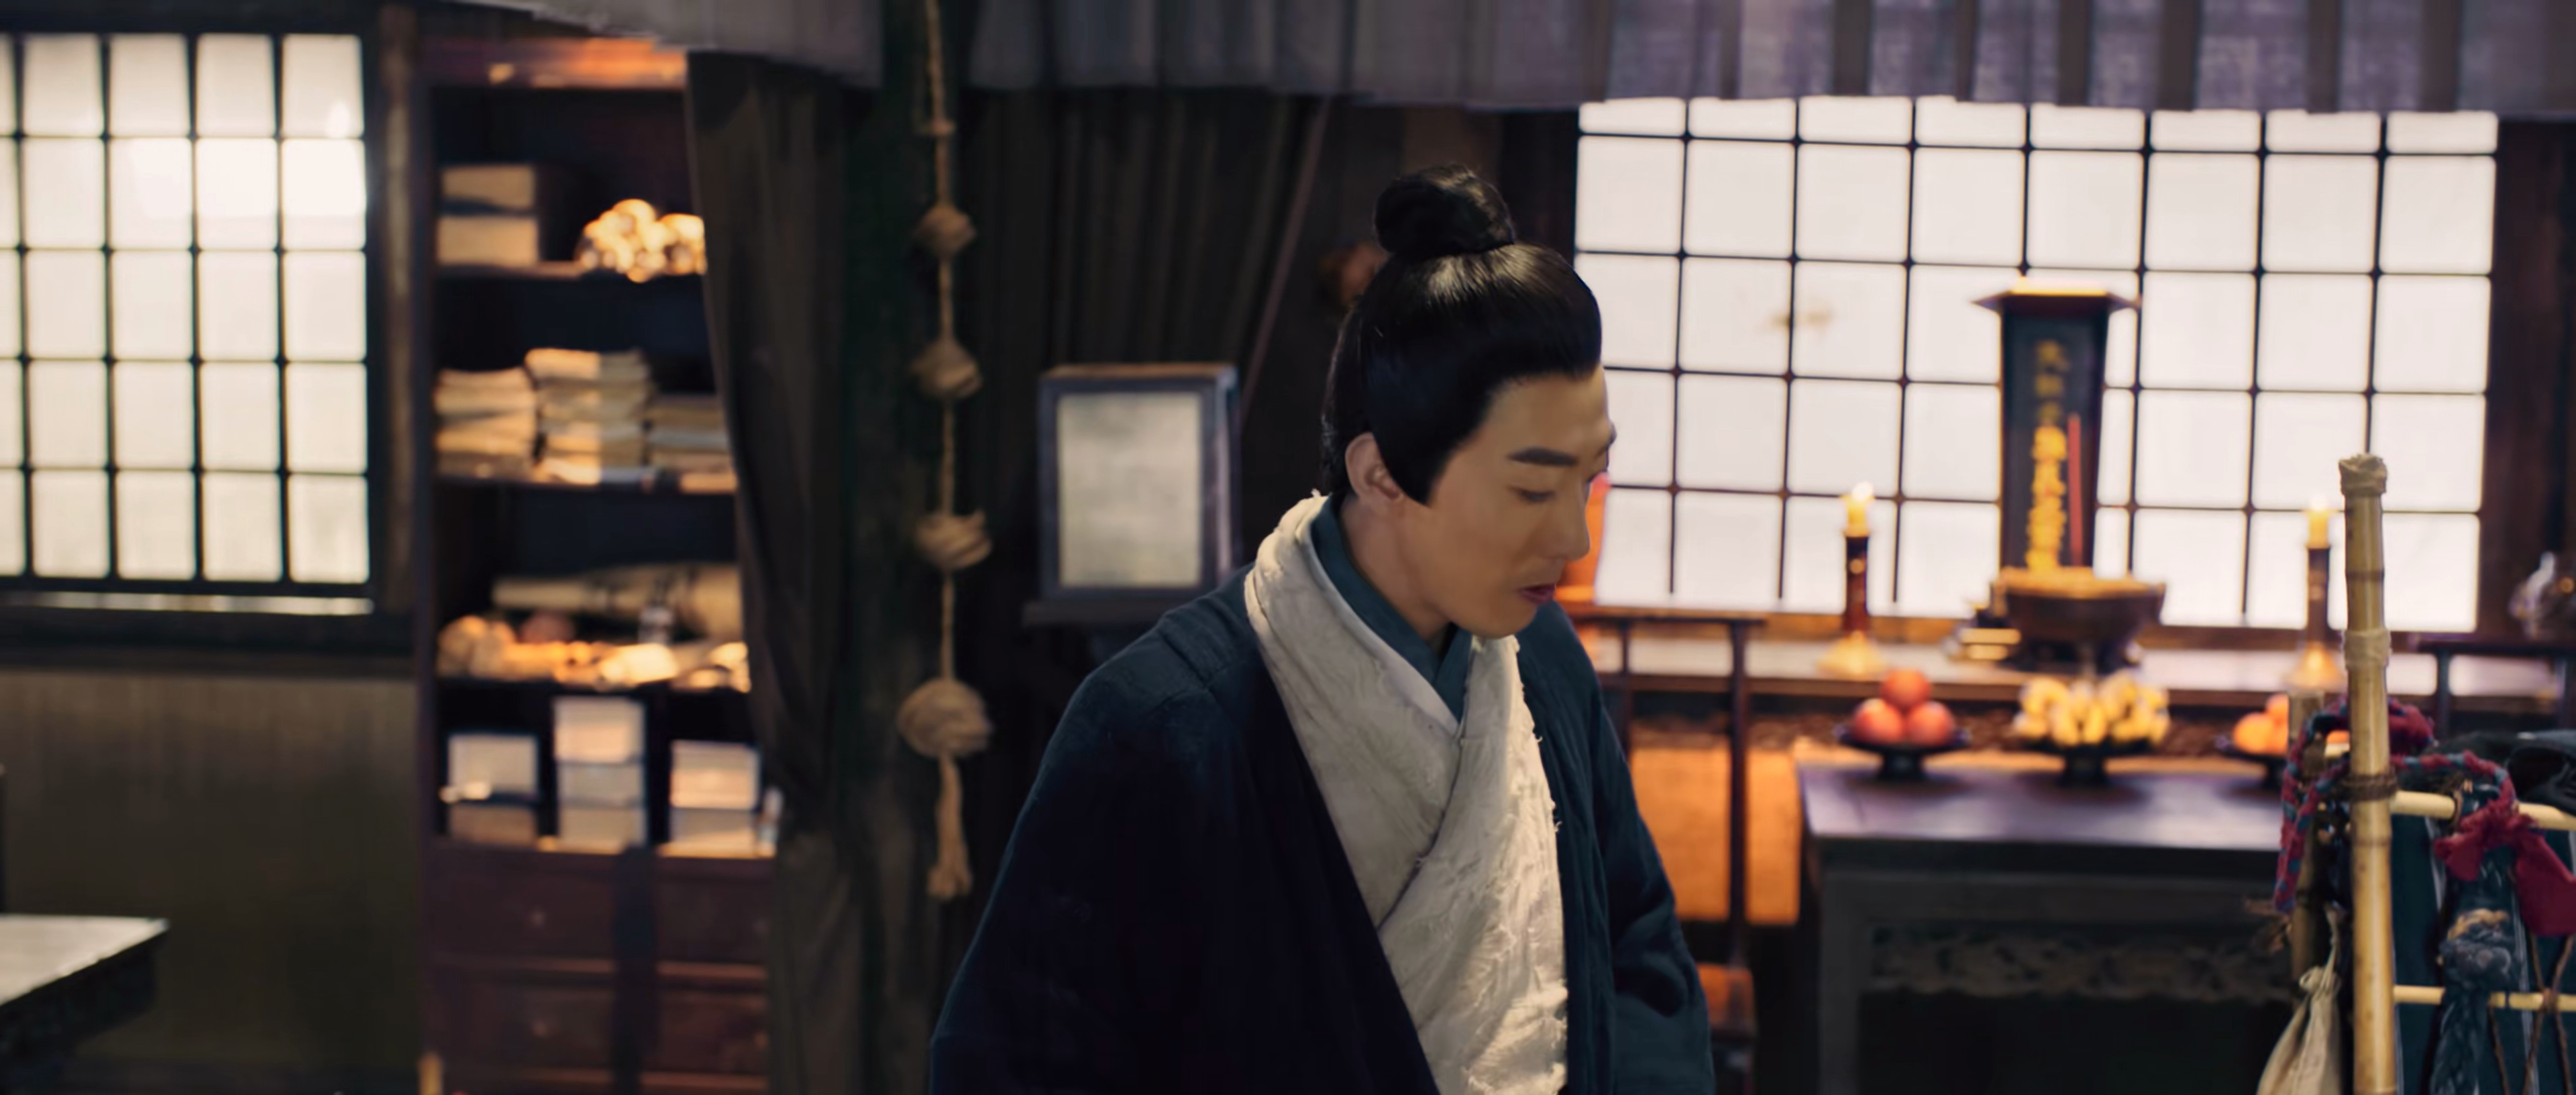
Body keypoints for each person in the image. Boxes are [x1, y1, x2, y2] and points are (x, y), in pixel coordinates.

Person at [930, 166, 1710, 1094]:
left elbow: (1636, 945)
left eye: (1589, 479)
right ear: (1381, 474)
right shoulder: (1158, 723)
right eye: (1532, 490)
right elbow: (1018, 1065)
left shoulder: (1542, 658)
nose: (1574, 539)